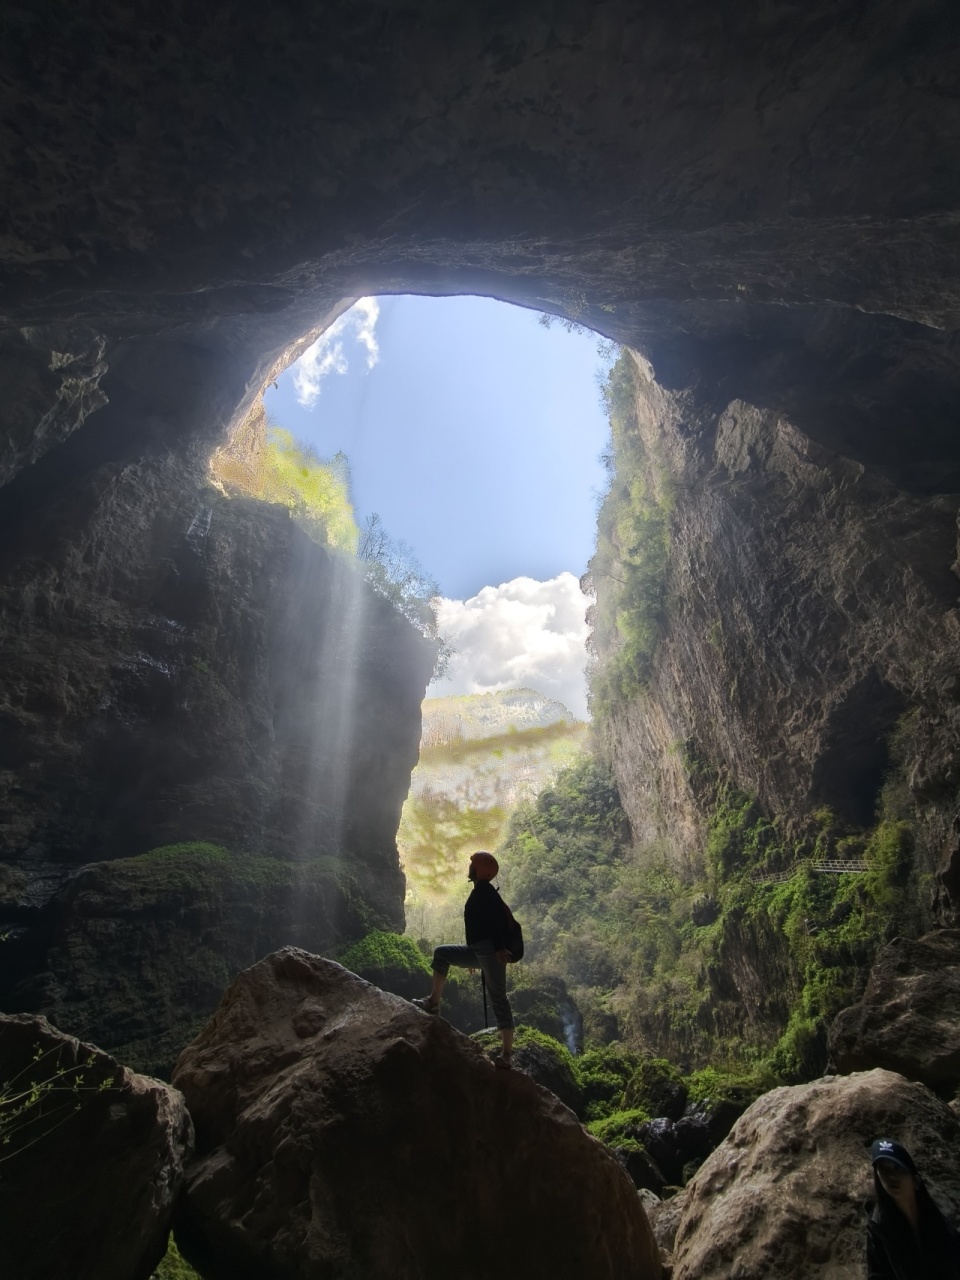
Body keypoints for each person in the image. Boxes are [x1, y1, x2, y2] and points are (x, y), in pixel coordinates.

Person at [412, 850, 516, 1069]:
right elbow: (479, 925)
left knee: (498, 998)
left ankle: (507, 1055)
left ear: (480, 870)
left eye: (473, 865)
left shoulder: (486, 893)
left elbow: (496, 923)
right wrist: (472, 957)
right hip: (479, 951)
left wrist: (497, 950)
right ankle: (433, 1004)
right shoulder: (480, 891)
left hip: (491, 952)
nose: (470, 867)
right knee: (442, 954)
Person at [867, 1138, 960, 1280]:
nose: (891, 1177)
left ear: (915, 1180)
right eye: (884, 1169)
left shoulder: (943, 1213)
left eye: (897, 1168)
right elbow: (878, 1274)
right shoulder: (879, 1228)